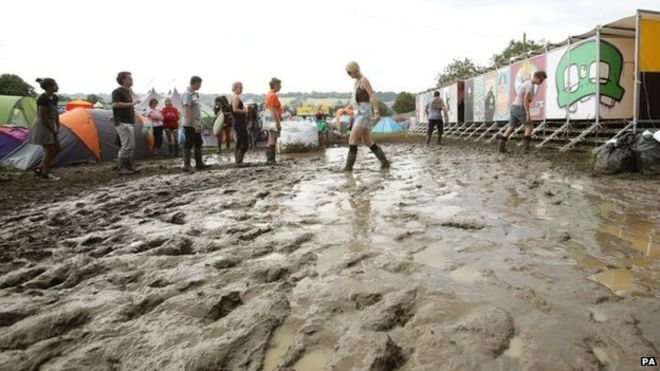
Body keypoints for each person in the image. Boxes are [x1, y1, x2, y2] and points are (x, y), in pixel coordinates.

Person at [343, 61, 390, 171]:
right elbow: (355, 100)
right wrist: (347, 108)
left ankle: (348, 168)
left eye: (349, 72)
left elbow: (372, 96)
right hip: (359, 113)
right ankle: (385, 162)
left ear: (354, 70)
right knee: (367, 141)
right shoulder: (356, 82)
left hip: (364, 114)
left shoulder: (364, 80)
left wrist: (376, 111)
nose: (348, 75)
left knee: (352, 140)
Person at [498, 70, 547, 152]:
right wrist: (528, 113)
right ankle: (525, 149)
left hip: (514, 106)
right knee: (529, 126)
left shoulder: (526, 83)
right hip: (519, 107)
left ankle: (501, 148)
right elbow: (525, 100)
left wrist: (529, 99)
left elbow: (524, 96)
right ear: (536, 77)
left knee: (511, 127)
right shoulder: (530, 85)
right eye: (541, 80)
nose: (541, 82)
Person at [30, 78, 61, 181]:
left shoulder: (55, 97)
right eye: (55, 85)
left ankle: (39, 168)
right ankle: (45, 173)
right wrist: (52, 129)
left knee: (57, 149)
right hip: (42, 126)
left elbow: (55, 112)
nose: (57, 87)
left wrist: (57, 124)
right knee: (50, 149)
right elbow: (43, 118)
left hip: (51, 125)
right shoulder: (42, 99)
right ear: (49, 87)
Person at [112, 71, 141, 174]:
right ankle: (122, 168)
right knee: (126, 145)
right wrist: (132, 103)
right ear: (123, 80)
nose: (132, 80)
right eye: (129, 78)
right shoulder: (117, 91)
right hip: (122, 122)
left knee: (131, 145)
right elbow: (115, 104)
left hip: (128, 122)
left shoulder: (127, 92)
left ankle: (129, 166)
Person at [182, 76, 208, 172]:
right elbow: (187, 110)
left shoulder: (193, 94)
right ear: (195, 83)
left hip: (196, 122)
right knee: (189, 142)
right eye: (200, 84)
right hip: (190, 124)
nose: (200, 86)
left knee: (198, 142)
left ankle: (199, 163)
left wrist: (199, 121)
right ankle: (186, 165)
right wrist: (194, 124)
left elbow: (195, 108)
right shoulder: (187, 94)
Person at [263, 77, 282, 165]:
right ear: (275, 85)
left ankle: (269, 159)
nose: (280, 87)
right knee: (273, 139)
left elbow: (265, 107)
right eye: (279, 85)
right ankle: (272, 160)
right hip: (272, 117)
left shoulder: (268, 94)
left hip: (267, 116)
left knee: (270, 138)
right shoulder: (273, 95)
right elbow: (273, 110)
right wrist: (277, 122)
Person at [231, 82, 249, 164]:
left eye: (242, 87)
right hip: (239, 121)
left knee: (239, 140)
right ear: (235, 88)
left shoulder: (233, 96)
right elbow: (235, 109)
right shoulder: (236, 97)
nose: (241, 89)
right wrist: (244, 111)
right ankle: (239, 160)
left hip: (237, 120)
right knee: (244, 141)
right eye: (240, 87)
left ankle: (237, 160)